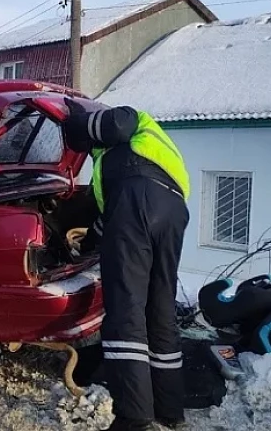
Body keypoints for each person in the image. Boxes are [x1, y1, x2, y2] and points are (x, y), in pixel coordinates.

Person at [61, 99, 190, 431]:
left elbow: (117, 123)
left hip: (139, 204)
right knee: (160, 310)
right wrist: (87, 243)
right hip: (172, 211)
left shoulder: (129, 120)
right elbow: (111, 217)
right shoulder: (137, 154)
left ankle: (134, 416)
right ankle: (169, 408)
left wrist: (75, 126)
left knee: (125, 313)